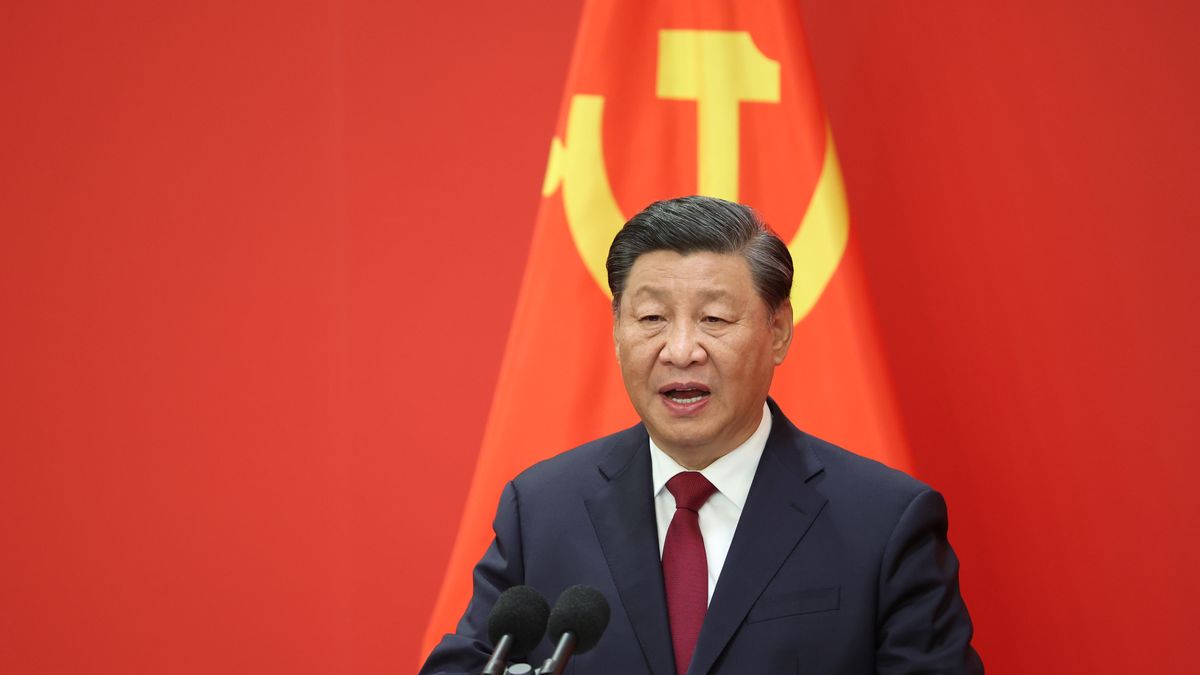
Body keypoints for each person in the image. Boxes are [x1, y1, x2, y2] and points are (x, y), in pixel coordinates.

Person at [421, 196, 984, 674]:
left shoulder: (885, 523)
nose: (681, 349)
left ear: (779, 331)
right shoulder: (541, 510)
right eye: (651, 319)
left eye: (714, 319)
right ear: (617, 330)